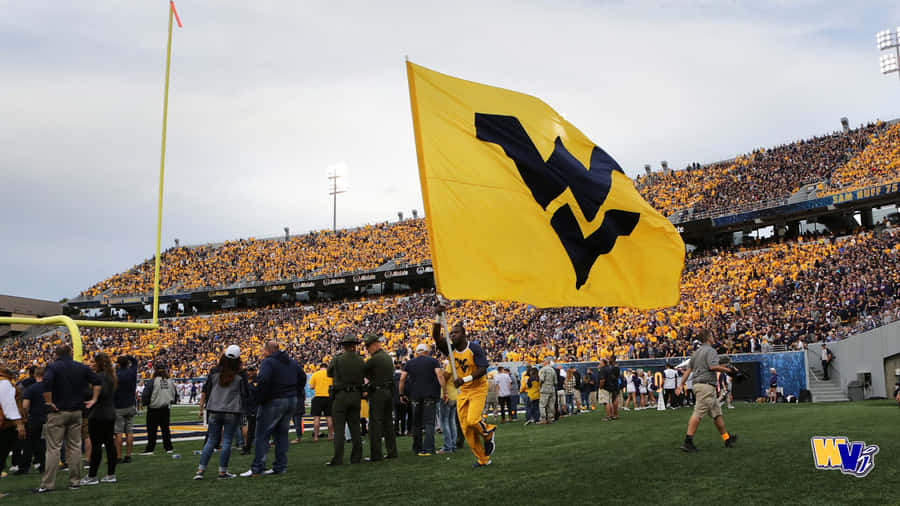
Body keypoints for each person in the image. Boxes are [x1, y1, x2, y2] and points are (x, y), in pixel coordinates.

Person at [432, 304, 496, 468]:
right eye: (451, 333)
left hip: (477, 388)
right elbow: (436, 337)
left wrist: (465, 379)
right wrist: (438, 317)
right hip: (464, 391)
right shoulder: (451, 349)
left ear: (464, 334)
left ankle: (488, 432)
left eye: (456, 332)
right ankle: (483, 459)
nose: (453, 335)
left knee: (473, 420)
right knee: (466, 428)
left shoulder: (474, 348)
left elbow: (483, 369)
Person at [37, 345, 102, 493]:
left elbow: (46, 384)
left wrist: (49, 402)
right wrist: (94, 399)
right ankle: (75, 481)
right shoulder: (80, 367)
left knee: (53, 448)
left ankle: (48, 484)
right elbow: (97, 381)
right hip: (76, 412)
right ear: (71, 353)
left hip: (58, 411)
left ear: (56, 354)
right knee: (74, 447)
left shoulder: (52, 367)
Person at [244, 340, 302, 476]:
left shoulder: (268, 362)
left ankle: (258, 468)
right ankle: (280, 466)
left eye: (263, 351)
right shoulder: (292, 362)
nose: (262, 354)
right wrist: (295, 392)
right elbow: (302, 377)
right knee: (282, 434)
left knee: (262, 434)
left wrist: (259, 398)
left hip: (274, 400)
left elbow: (263, 380)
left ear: (269, 350)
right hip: (291, 399)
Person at [678, 329, 738, 452]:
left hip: (698, 385)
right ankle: (687, 442)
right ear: (708, 338)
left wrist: (681, 385)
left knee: (717, 414)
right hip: (706, 386)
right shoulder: (711, 351)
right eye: (712, 335)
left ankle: (727, 438)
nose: (714, 337)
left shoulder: (695, 353)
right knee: (698, 413)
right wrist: (729, 370)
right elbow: (713, 367)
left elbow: (688, 371)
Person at [195, 345, 249, 480]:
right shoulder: (241, 374)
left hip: (214, 409)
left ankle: (200, 470)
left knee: (211, 441)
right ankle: (222, 472)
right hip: (232, 410)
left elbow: (207, 390)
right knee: (227, 441)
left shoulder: (214, 372)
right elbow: (245, 394)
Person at [326, 334, 365, 466]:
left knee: (339, 428)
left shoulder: (337, 359)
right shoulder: (360, 360)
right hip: (355, 396)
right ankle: (356, 457)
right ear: (354, 345)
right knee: (355, 427)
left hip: (341, 395)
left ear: (343, 346)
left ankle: (338, 458)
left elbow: (329, 373)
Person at [399, 343, 444, 456]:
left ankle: (417, 448)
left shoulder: (410, 363)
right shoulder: (433, 361)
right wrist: (445, 391)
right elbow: (439, 375)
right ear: (427, 351)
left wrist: (401, 394)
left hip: (415, 396)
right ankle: (429, 449)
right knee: (429, 423)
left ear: (417, 352)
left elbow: (402, 379)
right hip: (430, 395)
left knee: (416, 424)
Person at [82, 352, 118, 485]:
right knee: (109, 444)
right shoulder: (110, 376)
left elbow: (99, 393)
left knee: (97, 445)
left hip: (98, 414)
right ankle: (111, 474)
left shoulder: (101, 377)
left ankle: (92, 476)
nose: (90, 365)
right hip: (109, 414)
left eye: (92, 362)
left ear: (99, 363)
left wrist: (85, 390)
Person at [362, 333, 398, 461]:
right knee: (388, 423)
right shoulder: (387, 357)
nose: (367, 349)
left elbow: (363, 371)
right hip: (388, 392)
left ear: (375, 344)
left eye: (368, 346)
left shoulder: (374, 359)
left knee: (375, 424)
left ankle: (376, 454)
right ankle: (392, 451)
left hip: (378, 393)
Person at [0, 360, 26, 498]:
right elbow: (8, 405)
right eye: (3, 364)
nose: (6, 365)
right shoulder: (4, 382)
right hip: (5, 424)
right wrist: (19, 424)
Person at [140, 363, 177, 455]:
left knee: (152, 430)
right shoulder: (169, 381)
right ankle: (168, 447)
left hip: (154, 408)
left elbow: (146, 394)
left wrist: (145, 403)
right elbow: (175, 394)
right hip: (165, 408)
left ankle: (150, 448)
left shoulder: (153, 381)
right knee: (165, 430)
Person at [19, 367, 46, 476]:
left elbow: (25, 406)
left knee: (29, 443)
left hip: (34, 418)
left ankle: (24, 467)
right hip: (48, 418)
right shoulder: (50, 387)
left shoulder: (31, 388)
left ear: (35, 375)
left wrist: (24, 417)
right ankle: (43, 465)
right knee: (44, 443)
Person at [113, 355, 138, 464]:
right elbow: (135, 362)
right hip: (130, 405)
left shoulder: (116, 375)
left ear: (118, 364)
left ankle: (118, 456)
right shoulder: (132, 372)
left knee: (118, 433)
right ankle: (128, 456)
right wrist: (128, 356)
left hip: (119, 406)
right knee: (129, 432)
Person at [308, 362, 333, 442]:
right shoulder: (331, 374)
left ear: (320, 368)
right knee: (329, 417)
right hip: (328, 397)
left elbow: (311, 387)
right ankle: (330, 436)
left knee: (316, 418)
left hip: (318, 397)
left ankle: (315, 437)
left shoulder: (315, 374)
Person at [437, 359, 458, 453]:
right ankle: (453, 445)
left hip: (447, 395)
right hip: (455, 395)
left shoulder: (450, 366)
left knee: (444, 421)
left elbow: (443, 378)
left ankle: (447, 446)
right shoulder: (457, 367)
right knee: (452, 421)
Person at [240, 366, 259, 455]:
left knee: (253, 429)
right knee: (248, 428)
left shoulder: (258, 381)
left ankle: (248, 447)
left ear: (255, 371)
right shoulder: (244, 382)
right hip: (245, 408)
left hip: (255, 407)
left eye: (251, 371)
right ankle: (246, 446)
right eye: (248, 371)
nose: (249, 373)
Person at [538, 358, 556, 424]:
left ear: (546, 362)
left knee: (542, 405)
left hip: (545, 388)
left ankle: (543, 419)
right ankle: (550, 419)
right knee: (551, 405)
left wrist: (539, 386)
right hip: (552, 388)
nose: (542, 363)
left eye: (543, 361)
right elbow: (555, 382)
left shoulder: (543, 369)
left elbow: (541, 379)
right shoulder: (553, 370)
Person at [292, 365, 307, 444]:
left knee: (296, 419)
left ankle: (298, 437)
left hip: (295, 400)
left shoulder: (295, 382)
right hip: (299, 399)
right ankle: (299, 436)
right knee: (297, 419)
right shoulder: (301, 383)